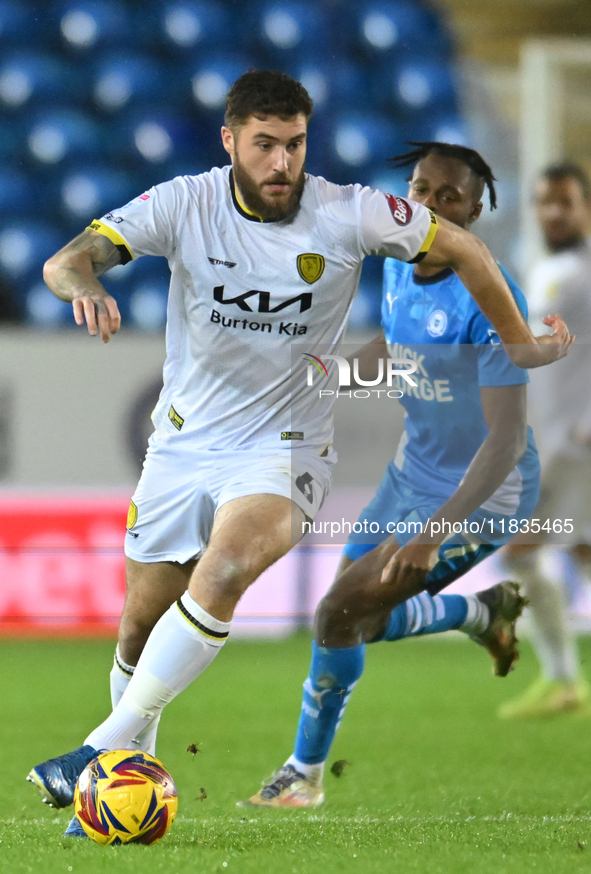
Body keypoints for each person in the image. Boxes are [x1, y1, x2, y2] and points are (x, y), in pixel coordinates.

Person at [26, 72, 570, 834]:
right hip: (183, 445)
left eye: (295, 145)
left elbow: (467, 252)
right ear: (230, 142)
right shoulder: (183, 203)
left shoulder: (350, 214)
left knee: (236, 573)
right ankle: (118, 784)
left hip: (287, 450)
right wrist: (80, 280)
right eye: (264, 146)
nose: (282, 163)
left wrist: (517, 341)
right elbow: (67, 257)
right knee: (139, 629)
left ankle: (96, 754)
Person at [242, 141, 545, 809]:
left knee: (335, 612)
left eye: (448, 196)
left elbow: (502, 439)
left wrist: (432, 535)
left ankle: (303, 775)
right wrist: (322, 380)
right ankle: (477, 612)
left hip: (485, 492)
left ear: (474, 209)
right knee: (356, 616)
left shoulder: (487, 297)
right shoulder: (400, 264)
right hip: (412, 472)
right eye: (419, 188)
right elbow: (397, 352)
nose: (429, 205)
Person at [501, 162, 591, 718]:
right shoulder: (546, 270)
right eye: (544, 201)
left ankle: (562, 679)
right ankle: (564, 683)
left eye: (565, 201)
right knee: (579, 553)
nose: (553, 212)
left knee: (517, 553)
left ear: (585, 207)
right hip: (553, 439)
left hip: (578, 442)